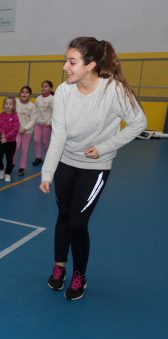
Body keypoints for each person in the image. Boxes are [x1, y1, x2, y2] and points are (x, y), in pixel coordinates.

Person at [39, 37, 147, 301]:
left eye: (72, 61)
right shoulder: (64, 91)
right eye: (66, 60)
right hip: (67, 162)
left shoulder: (114, 91)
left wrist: (105, 146)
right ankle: (59, 267)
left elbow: (138, 122)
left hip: (96, 167)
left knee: (78, 223)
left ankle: (80, 275)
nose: (65, 66)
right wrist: (47, 172)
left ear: (91, 65)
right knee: (63, 215)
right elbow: (59, 134)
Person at [0, 97, 20, 182]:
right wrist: (2, 134)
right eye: (6, 103)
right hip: (1, 142)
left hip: (11, 143)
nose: (8, 105)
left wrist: (6, 137)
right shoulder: (0, 115)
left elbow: (15, 129)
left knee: (9, 159)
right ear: (4, 105)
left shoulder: (15, 116)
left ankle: (7, 173)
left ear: (13, 106)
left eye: (10, 104)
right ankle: (1, 169)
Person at [14, 86, 36, 177]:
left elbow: (33, 120)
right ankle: (11, 164)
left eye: (26, 92)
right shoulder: (15, 102)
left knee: (24, 149)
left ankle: (22, 167)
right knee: (15, 147)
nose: (24, 94)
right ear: (20, 93)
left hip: (27, 131)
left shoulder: (32, 106)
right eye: (22, 92)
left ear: (30, 95)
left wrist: (26, 128)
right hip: (16, 131)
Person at [32, 80, 54, 166]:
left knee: (45, 142)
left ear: (50, 88)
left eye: (46, 86)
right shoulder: (38, 98)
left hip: (46, 125)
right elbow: (35, 111)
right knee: (36, 140)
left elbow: (54, 112)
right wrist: (34, 120)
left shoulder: (52, 99)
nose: (43, 88)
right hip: (38, 124)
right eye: (42, 86)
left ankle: (48, 158)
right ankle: (38, 158)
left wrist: (49, 122)